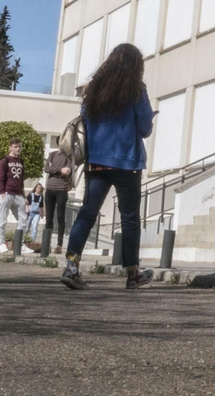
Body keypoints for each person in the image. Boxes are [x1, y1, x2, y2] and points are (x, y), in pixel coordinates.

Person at [60, 43, 155, 291]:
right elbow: (145, 128)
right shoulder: (137, 90)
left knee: (87, 214)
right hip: (127, 163)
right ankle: (133, 274)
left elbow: (85, 120)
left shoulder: (94, 88)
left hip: (97, 163)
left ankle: (71, 267)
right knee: (130, 218)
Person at [0, 138, 27, 253]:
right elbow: (0, 177)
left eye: (19, 147)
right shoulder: (5, 160)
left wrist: (23, 195)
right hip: (7, 193)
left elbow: (21, 179)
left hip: (18, 194)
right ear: (10, 147)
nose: (18, 149)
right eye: (15, 147)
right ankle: (1, 244)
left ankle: (20, 244)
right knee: (2, 220)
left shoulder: (21, 161)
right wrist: (2, 191)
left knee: (23, 220)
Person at [41, 146, 73, 257]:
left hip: (62, 190)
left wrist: (53, 168)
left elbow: (67, 172)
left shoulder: (69, 157)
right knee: (49, 218)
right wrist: (59, 170)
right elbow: (46, 169)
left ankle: (59, 245)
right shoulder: (52, 154)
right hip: (49, 189)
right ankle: (47, 244)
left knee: (60, 217)